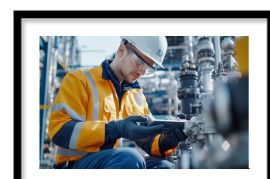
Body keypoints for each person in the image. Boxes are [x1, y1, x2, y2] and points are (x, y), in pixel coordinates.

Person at [48, 36, 188, 169]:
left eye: (147, 69)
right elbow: (59, 132)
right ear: (122, 50)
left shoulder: (134, 94)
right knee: (130, 158)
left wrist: (168, 139)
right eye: (139, 63)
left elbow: (149, 142)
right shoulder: (79, 79)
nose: (141, 71)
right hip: (74, 166)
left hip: (110, 163)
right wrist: (114, 129)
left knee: (164, 167)